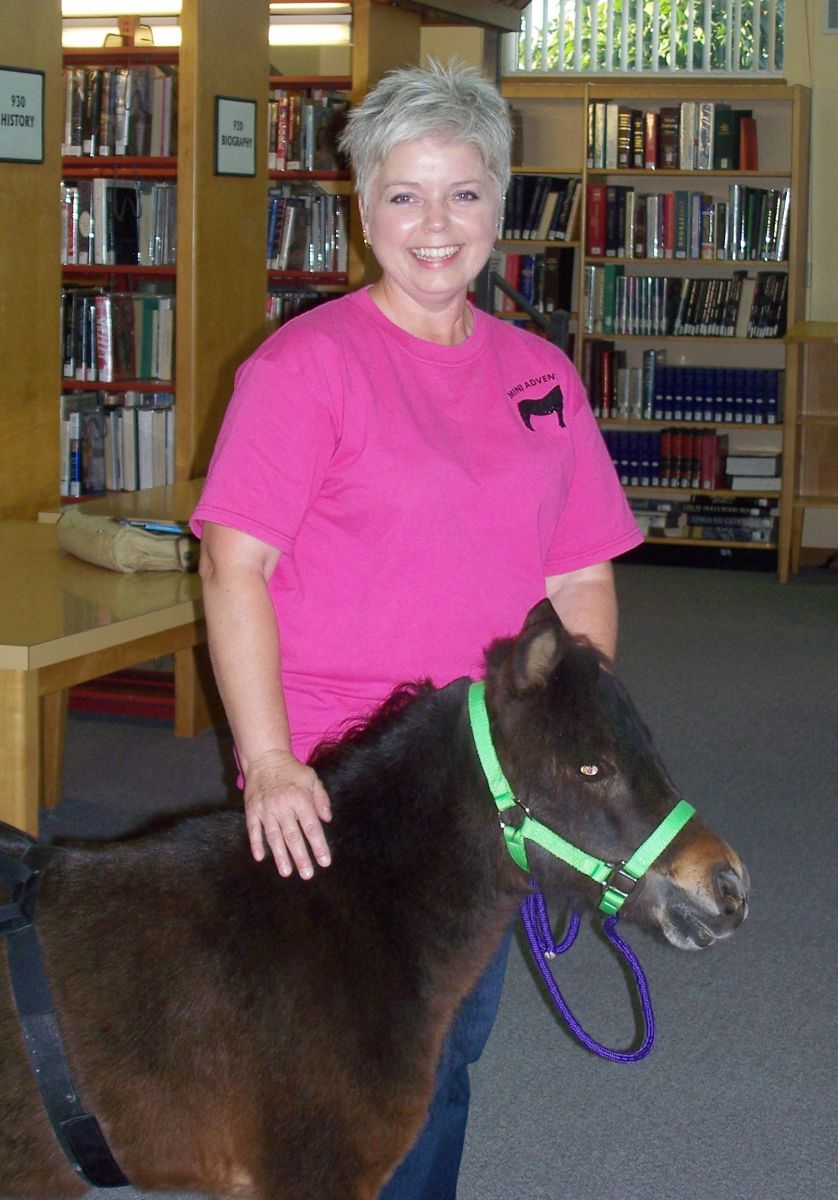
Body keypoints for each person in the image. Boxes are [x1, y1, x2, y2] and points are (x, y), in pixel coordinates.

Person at [191, 59, 643, 1199]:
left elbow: (581, 579)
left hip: (482, 785)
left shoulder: (541, 377)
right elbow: (233, 566)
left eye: (462, 193)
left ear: (501, 202)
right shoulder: (304, 368)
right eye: (403, 195)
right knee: (339, 1067)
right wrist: (272, 763)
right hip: (344, 780)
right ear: (360, 209)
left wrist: (558, 759)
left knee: (445, 1055)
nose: (434, 226)